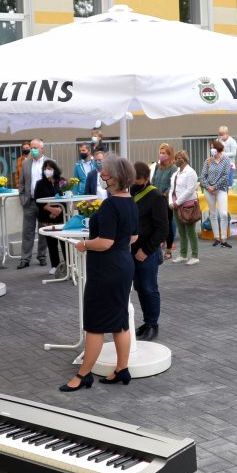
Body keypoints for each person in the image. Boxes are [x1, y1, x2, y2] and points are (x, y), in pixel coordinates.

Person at [60, 155, 139, 392]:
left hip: (106, 270)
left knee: (95, 324)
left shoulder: (110, 205)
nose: (102, 175)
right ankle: (122, 369)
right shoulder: (131, 202)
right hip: (124, 265)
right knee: (120, 320)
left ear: (113, 178)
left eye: (105, 172)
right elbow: (133, 237)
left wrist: (84, 245)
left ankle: (83, 375)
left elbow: (104, 242)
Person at [131, 161, 169, 342]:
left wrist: (145, 250)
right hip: (131, 250)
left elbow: (162, 229)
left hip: (147, 251)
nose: (133, 183)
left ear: (145, 179)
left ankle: (153, 324)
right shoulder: (130, 192)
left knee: (149, 288)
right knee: (139, 287)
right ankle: (147, 322)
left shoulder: (156, 196)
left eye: (137, 180)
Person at [18, 138, 49, 268]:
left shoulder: (49, 163)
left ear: (42, 149)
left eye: (36, 148)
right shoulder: (25, 164)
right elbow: (21, 183)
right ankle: (25, 259)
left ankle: (42, 256)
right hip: (29, 202)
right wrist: (23, 199)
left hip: (44, 203)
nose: (33, 150)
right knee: (27, 231)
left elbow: (54, 182)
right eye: (32, 148)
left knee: (43, 230)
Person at [34, 159, 67, 278]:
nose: (47, 171)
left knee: (64, 241)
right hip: (47, 216)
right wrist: (52, 210)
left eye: (50, 168)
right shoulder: (40, 183)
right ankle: (55, 265)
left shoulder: (62, 181)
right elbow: (38, 200)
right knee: (51, 242)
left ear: (55, 170)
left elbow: (67, 197)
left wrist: (59, 210)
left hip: (61, 216)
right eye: (45, 168)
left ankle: (67, 264)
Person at [168, 150, 199, 265]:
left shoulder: (191, 172)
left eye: (178, 158)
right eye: (176, 158)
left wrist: (177, 202)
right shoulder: (176, 173)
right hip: (176, 205)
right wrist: (171, 202)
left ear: (184, 159)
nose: (176, 161)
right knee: (181, 231)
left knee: (190, 231)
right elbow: (172, 189)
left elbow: (190, 190)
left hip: (187, 205)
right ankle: (183, 254)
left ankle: (195, 256)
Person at [200, 140, 232, 248]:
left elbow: (225, 176)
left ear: (219, 149)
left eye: (213, 147)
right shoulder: (208, 161)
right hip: (208, 190)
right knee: (213, 214)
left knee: (223, 213)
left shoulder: (226, 160)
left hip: (221, 189)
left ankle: (224, 238)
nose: (211, 149)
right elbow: (203, 176)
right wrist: (208, 187)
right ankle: (217, 237)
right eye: (211, 147)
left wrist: (215, 187)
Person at [152, 143, 178, 260]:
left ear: (169, 155)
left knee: (167, 225)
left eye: (164, 153)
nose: (161, 155)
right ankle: (157, 244)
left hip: (166, 200)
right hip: (155, 199)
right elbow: (153, 181)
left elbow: (173, 185)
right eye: (160, 152)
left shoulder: (173, 168)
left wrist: (164, 194)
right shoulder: (158, 167)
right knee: (156, 223)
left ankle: (168, 249)